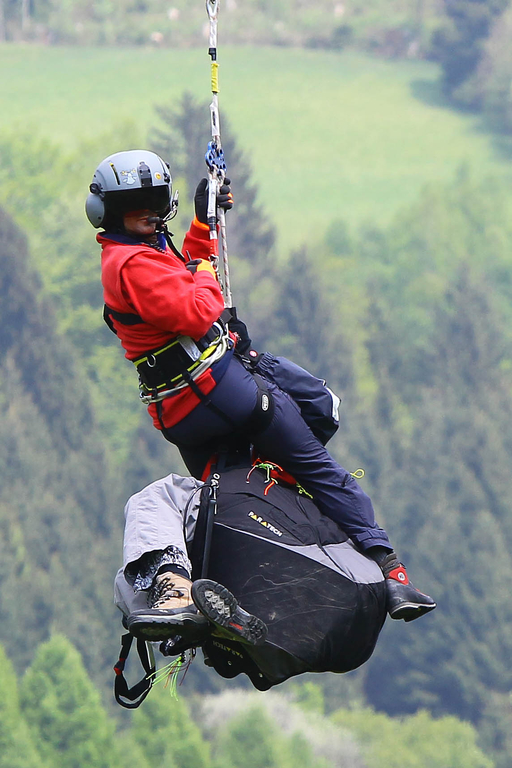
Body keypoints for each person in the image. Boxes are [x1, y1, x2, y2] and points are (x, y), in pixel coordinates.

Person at [87, 149, 436, 634]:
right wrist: (207, 269)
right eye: (135, 206)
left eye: (152, 202)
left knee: (231, 500)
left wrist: (203, 227)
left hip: (180, 414)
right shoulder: (131, 264)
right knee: (317, 467)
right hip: (223, 392)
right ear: (110, 212)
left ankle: (208, 595)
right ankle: (392, 573)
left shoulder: (136, 250)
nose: (146, 213)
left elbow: (182, 273)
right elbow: (198, 309)